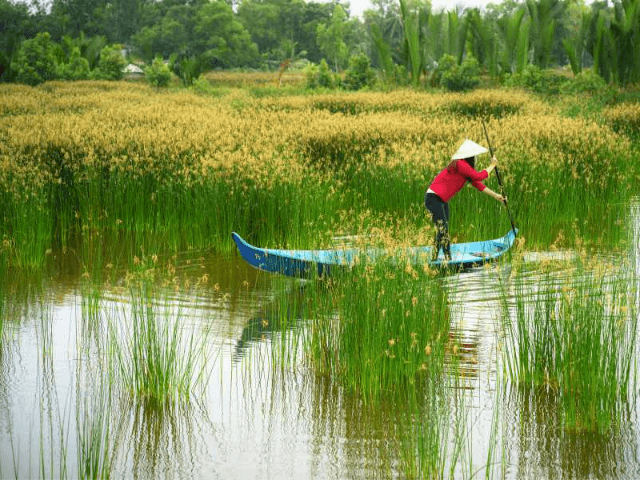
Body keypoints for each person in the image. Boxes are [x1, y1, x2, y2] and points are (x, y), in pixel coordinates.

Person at [424, 139, 506, 261]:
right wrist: (492, 166)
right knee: (443, 230)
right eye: (475, 155)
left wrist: (496, 195)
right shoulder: (459, 163)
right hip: (433, 198)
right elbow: (479, 176)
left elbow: (478, 184)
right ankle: (446, 259)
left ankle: (438, 258)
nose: (476, 158)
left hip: (442, 200)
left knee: (443, 229)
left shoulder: (465, 169)